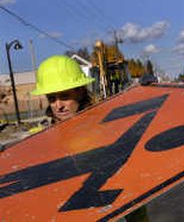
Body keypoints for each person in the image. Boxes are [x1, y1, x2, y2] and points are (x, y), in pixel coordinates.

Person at [31, 55, 148, 221]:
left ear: (80, 91)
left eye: (64, 96)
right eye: (52, 98)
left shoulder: (107, 129)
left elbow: (131, 185)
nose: (58, 105)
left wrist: (147, 92)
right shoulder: (40, 139)